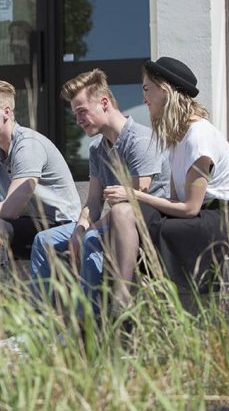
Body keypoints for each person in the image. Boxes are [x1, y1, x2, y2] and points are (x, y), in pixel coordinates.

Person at [103, 56, 229, 311]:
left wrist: (136, 195)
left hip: (225, 218)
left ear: (166, 90)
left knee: (158, 225)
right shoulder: (176, 139)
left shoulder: (198, 136)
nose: (144, 98)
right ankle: (121, 294)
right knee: (122, 212)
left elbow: (190, 208)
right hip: (199, 213)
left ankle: (146, 302)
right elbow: (175, 201)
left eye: (147, 89)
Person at [30, 69, 170, 306]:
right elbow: (93, 202)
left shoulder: (140, 141)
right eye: (75, 114)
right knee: (44, 240)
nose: (78, 120)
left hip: (145, 222)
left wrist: (86, 232)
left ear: (104, 103)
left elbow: (136, 200)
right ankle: (43, 326)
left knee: (92, 238)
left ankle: (87, 326)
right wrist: (79, 229)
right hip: (111, 220)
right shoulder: (97, 149)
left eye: (82, 111)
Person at [0, 79, 81, 259]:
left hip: (61, 227)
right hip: (29, 224)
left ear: (6, 112)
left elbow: (11, 209)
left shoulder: (28, 145)